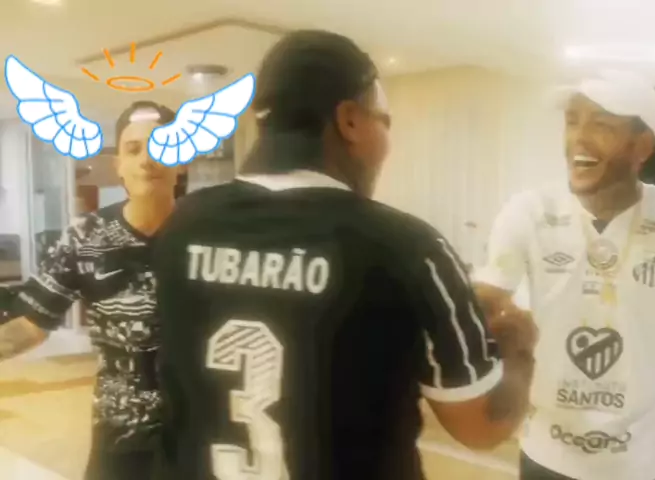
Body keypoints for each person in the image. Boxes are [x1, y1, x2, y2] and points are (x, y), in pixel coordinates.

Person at [151, 29, 537, 480]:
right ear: (350, 121)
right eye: (384, 122)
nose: (387, 142)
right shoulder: (408, 248)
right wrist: (519, 352)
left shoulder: (181, 225)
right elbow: (481, 427)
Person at [472, 71, 655, 480]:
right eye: (572, 121)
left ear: (643, 146)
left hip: (637, 463)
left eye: (601, 125)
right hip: (545, 452)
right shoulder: (528, 212)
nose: (578, 139)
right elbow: (484, 303)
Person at [0, 100, 186, 480]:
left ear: (182, 161)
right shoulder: (85, 237)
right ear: (118, 164)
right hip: (119, 436)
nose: (147, 159)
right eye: (133, 149)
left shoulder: (210, 235)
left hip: (198, 436)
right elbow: (32, 323)